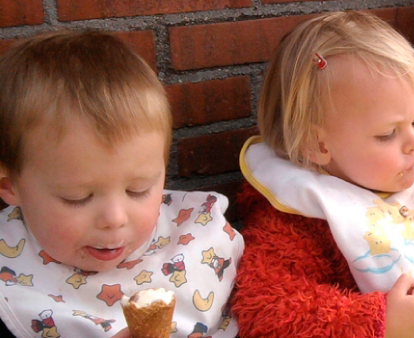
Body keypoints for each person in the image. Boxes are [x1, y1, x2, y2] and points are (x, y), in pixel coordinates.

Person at [229, 11, 414, 337]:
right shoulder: (295, 216)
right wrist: (381, 324)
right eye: (388, 133)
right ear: (317, 145)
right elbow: (269, 314)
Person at [0, 30, 243, 337]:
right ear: (10, 186)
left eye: (138, 189)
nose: (114, 219)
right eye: (78, 197)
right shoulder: (10, 284)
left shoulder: (197, 236)